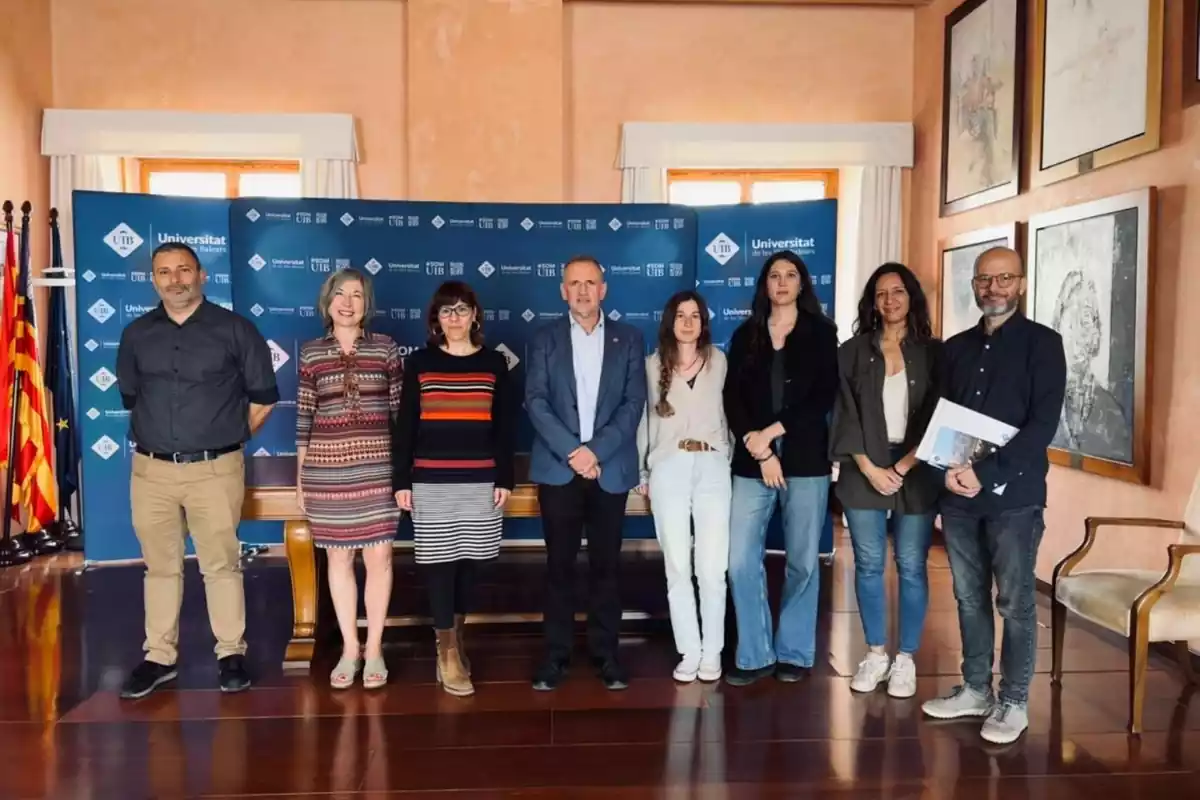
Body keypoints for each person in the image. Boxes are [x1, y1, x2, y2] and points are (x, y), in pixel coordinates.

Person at [114, 241, 278, 699]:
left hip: (216, 469)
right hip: (152, 472)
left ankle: (230, 653)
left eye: (184, 270)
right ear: (153, 279)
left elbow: (264, 397)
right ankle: (159, 656)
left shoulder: (235, 329)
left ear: (201, 274)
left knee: (221, 565)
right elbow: (131, 396)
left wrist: (225, 435)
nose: (175, 279)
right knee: (160, 567)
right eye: (164, 272)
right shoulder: (136, 335)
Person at [920, 246, 1066, 746]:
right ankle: (976, 688)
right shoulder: (955, 348)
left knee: (1015, 602)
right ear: (975, 285)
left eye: (1004, 279)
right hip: (958, 496)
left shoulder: (1044, 345)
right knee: (967, 597)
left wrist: (987, 473)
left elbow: (1041, 425)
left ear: (1020, 284)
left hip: (1014, 498)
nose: (993, 288)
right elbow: (941, 419)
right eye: (984, 280)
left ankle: (1014, 700)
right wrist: (947, 472)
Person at [525, 255, 646, 691]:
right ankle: (556, 657)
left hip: (608, 469)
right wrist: (575, 452)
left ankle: (606, 656)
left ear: (603, 289)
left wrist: (594, 452)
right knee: (559, 567)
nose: (581, 290)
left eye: (590, 283)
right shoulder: (543, 339)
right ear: (562, 290)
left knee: (606, 568)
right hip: (560, 469)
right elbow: (536, 401)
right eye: (573, 283)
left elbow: (633, 405)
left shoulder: (629, 339)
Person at [392, 280, 515, 697]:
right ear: (436, 320)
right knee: (440, 564)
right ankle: (445, 652)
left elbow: (504, 427)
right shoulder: (420, 363)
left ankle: (455, 638)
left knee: (470, 563)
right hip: (431, 480)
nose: (455, 318)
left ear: (475, 316)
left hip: (481, 480)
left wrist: (505, 478)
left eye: (462, 310)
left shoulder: (495, 363)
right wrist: (402, 480)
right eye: (447, 311)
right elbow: (406, 424)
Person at [722, 250, 839, 686]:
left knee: (804, 562)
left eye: (791, 275)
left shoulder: (823, 334)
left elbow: (823, 396)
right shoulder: (745, 334)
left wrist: (772, 432)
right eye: (775, 275)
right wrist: (762, 448)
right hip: (752, 462)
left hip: (806, 460)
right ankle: (754, 654)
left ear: (802, 284)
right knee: (740, 560)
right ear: (765, 285)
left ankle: (793, 651)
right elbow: (732, 399)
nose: (783, 282)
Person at [830, 263, 942, 699]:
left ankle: (906, 659)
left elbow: (939, 414)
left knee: (912, 566)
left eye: (897, 292)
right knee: (870, 564)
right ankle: (876, 652)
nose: (889, 300)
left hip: (916, 467)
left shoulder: (934, 353)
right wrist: (871, 467)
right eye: (880, 293)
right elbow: (845, 411)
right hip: (865, 467)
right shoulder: (852, 351)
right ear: (872, 302)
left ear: (911, 297)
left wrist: (904, 465)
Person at [296, 268, 403, 690]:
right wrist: (301, 478)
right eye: (339, 294)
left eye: (356, 295)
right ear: (327, 301)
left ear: (366, 304)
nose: (347, 301)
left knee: (380, 559)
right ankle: (349, 647)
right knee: (339, 559)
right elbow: (304, 416)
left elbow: (399, 414)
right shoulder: (309, 353)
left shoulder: (386, 349)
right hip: (326, 471)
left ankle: (374, 647)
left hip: (379, 469)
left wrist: (404, 472)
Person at [635, 290, 731, 684]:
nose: (688, 322)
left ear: (703, 322)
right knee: (678, 566)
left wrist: (726, 457)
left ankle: (713, 651)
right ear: (669, 321)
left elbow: (730, 413)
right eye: (681, 315)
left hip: (711, 465)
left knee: (712, 567)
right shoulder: (651, 365)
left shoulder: (719, 360)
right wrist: (644, 473)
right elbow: (644, 422)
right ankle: (689, 650)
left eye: (695, 315)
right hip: (669, 467)